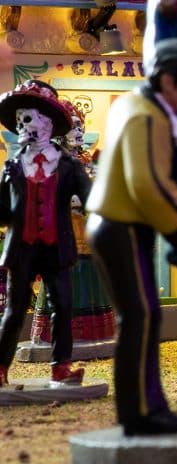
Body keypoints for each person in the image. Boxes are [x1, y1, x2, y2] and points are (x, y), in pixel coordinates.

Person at [85, 38, 177, 436]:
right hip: (120, 225)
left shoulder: (140, 107)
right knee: (140, 317)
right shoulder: (146, 117)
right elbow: (148, 187)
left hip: (121, 224)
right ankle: (140, 414)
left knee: (142, 316)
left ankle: (147, 407)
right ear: (168, 81)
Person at [0, 80, 92, 386]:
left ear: (47, 122)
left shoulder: (69, 166)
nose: (21, 125)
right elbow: (3, 210)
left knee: (63, 306)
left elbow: (93, 201)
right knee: (14, 310)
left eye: (27, 118)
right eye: (18, 120)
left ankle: (61, 367)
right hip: (21, 249)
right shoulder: (12, 167)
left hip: (56, 247)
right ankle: (0, 367)